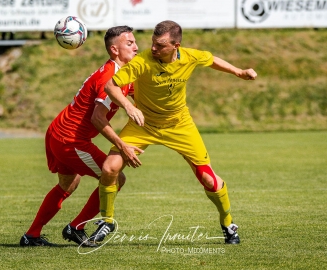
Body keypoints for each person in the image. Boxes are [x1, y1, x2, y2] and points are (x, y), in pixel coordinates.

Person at [88, 20, 257, 246]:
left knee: (209, 180)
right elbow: (111, 86)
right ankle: (106, 221)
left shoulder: (189, 57)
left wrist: (239, 71)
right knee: (110, 168)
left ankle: (228, 224)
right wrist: (130, 107)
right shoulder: (143, 61)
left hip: (179, 125)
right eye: (153, 43)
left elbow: (210, 59)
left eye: (160, 45)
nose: (153, 49)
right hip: (144, 125)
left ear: (176, 45)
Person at [19, 25, 142, 247]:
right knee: (115, 177)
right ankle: (76, 227)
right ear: (114, 49)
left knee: (67, 185)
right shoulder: (109, 77)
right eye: (130, 43)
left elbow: (137, 93)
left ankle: (32, 236)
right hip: (70, 139)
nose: (136, 47)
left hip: (59, 131)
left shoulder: (120, 73)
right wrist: (123, 146)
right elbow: (97, 118)